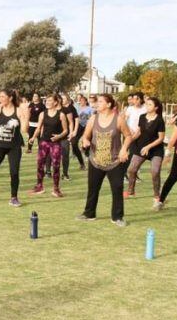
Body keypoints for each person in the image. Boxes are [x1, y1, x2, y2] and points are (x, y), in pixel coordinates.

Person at [77, 93, 132, 226]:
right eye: (97, 102)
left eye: (100, 102)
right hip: (95, 160)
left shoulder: (118, 119)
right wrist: (85, 141)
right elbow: (86, 135)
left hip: (115, 161)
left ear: (108, 104)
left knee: (117, 188)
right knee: (93, 188)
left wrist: (124, 149)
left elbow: (128, 136)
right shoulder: (93, 119)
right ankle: (89, 213)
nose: (97, 104)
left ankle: (117, 217)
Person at [0, 89, 29, 206]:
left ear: (10, 98)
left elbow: (24, 130)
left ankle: (14, 197)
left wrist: (26, 117)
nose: (0, 99)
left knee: (14, 172)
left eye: (3, 96)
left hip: (14, 146)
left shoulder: (18, 110)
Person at [126, 96, 165, 200]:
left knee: (155, 172)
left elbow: (161, 138)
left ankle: (157, 195)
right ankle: (130, 192)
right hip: (141, 147)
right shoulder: (142, 117)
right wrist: (130, 140)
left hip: (156, 150)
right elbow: (139, 132)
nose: (147, 106)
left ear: (156, 107)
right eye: (147, 104)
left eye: (150, 104)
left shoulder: (160, 120)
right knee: (131, 169)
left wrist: (149, 146)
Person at [28, 93, 67, 197]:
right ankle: (39, 186)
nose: (47, 102)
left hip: (56, 144)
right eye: (47, 100)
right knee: (40, 164)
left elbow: (66, 130)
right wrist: (32, 138)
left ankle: (56, 189)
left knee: (56, 165)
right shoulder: (42, 114)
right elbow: (38, 128)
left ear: (55, 102)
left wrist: (59, 136)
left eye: (50, 101)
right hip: (44, 142)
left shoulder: (61, 115)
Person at [60, 93, 81, 180]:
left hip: (67, 133)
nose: (62, 100)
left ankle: (65, 173)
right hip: (58, 133)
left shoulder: (71, 108)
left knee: (68, 151)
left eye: (64, 98)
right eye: (61, 98)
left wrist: (74, 131)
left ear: (68, 99)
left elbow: (75, 120)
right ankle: (49, 171)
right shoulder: (58, 108)